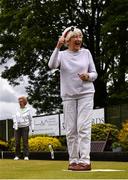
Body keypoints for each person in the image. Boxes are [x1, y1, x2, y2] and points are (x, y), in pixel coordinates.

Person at [48, 26, 98, 171]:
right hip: (68, 96)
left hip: (86, 94)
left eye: (80, 37)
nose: (78, 39)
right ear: (67, 41)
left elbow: (94, 73)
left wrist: (88, 76)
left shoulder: (86, 53)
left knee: (83, 127)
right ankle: (73, 160)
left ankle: (85, 161)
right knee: (71, 130)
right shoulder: (62, 55)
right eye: (75, 37)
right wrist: (57, 46)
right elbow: (51, 65)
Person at [13, 96, 34, 160]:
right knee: (17, 142)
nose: (20, 102)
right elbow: (14, 117)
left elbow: (31, 119)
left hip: (25, 127)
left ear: (24, 102)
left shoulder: (28, 110)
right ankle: (17, 155)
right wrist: (15, 123)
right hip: (17, 128)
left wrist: (32, 128)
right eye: (19, 101)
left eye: (21, 101)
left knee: (25, 142)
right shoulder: (16, 109)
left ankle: (26, 156)